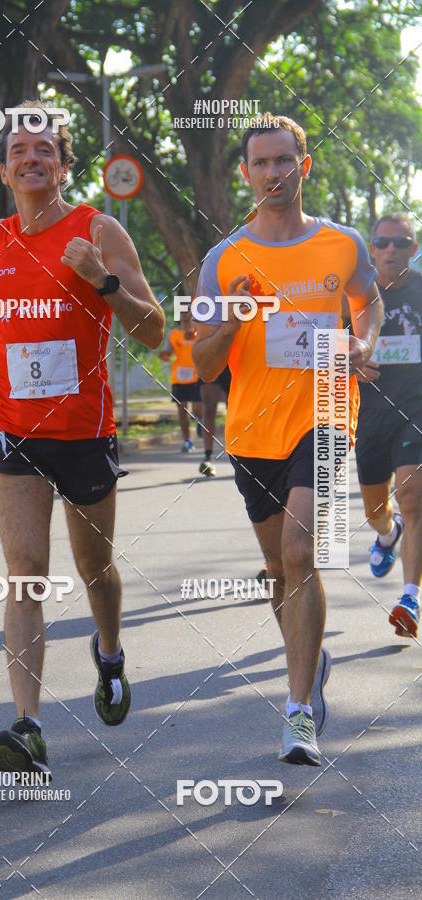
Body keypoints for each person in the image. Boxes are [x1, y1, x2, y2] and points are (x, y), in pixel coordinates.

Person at [0, 102, 164, 778]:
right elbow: (0, 312)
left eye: (44, 148)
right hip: (13, 426)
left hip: (85, 430)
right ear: (5, 169)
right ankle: (28, 725)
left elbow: (152, 328)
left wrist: (103, 281)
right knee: (26, 570)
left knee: (95, 568)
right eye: (18, 150)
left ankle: (111, 651)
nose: (30, 157)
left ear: (63, 164)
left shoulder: (96, 227)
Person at [193, 113, 383, 766]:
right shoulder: (225, 260)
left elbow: (369, 300)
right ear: (246, 173)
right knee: (278, 568)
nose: (273, 173)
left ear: (304, 166)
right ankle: (312, 657)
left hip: (328, 408)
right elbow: (205, 361)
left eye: (284, 161)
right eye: (260, 163)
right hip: (252, 429)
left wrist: (364, 340)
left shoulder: (342, 244)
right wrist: (235, 317)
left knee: (302, 549)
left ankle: (298, 713)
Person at [354, 213, 422, 638]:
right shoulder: (356, 294)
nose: (392, 249)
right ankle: (387, 534)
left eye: (401, 243)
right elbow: (330, 346)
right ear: (372, 248)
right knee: (377, 510)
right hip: (370, 416)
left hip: (416, 409)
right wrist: (352, 363)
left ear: (414, 249)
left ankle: (410, 597)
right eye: (383, 242)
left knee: (413, 496)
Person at [159, 308, 203, 452]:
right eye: (182, 310)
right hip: (178, 377)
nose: (184, 312)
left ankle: (198, 421)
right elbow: (168, 354)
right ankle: (188, 441)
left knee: (197, 408)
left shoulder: (198, 331)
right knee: (181, 409)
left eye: (188, 309)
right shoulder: (173, 334)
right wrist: (164, 356)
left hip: (196, 376)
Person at [196, 367, 231, 477]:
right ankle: (208, 457)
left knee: (234, 407)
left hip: (235, 360)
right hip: (212, 355)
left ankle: (241, 455)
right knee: (209, 407)